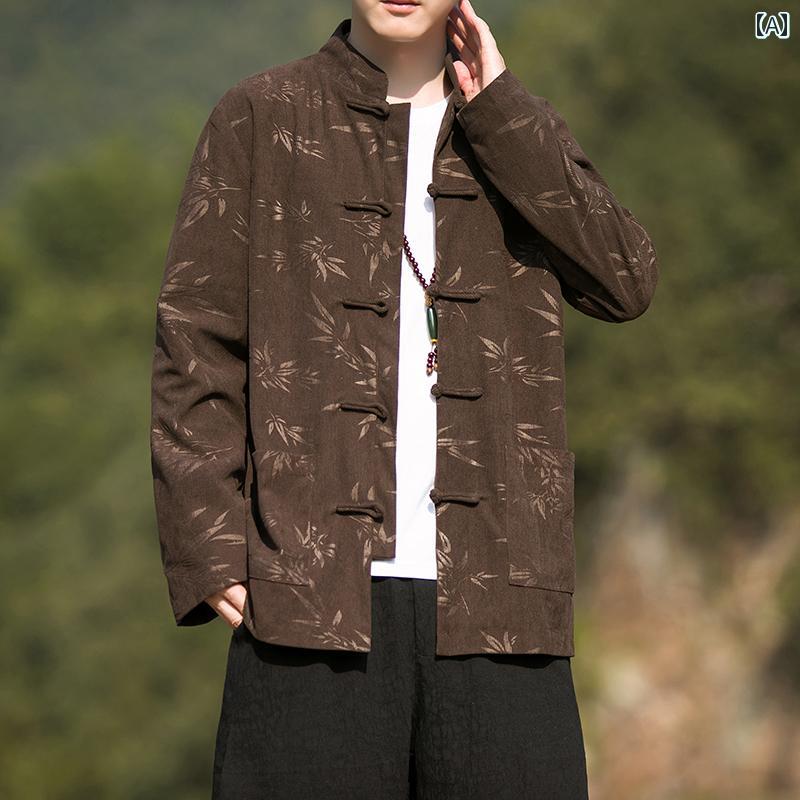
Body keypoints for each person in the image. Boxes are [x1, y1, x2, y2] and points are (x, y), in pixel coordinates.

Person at [150, 1, 658, 797]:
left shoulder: (512, 127)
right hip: (307, 597)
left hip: (501, 601)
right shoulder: (261, 116)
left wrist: (502, 109)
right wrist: (210, 546)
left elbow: (625, 280)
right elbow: (194, 341)